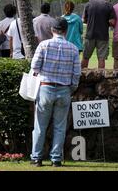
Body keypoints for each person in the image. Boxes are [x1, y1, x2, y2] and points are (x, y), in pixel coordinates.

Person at [30, 17, 81, 167]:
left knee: (40, 125)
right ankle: (56, 159)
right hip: (64, 89)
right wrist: (71, 88)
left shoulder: (43, 45)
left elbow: (34, 66)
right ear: (66, 31)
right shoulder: (73, 48)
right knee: (60, 127)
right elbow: (76, 73)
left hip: (45, 87)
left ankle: (37, 158)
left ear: (52, 30)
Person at [82, 0, 116, 69]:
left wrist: (90, 22)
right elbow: (112, 22)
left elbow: (83, 20)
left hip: (90, 35)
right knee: (101, 59)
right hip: (103, 35)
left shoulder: (88, 4)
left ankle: (82, 77)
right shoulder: (109, 5)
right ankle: (100, 79)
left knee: (85, 57)